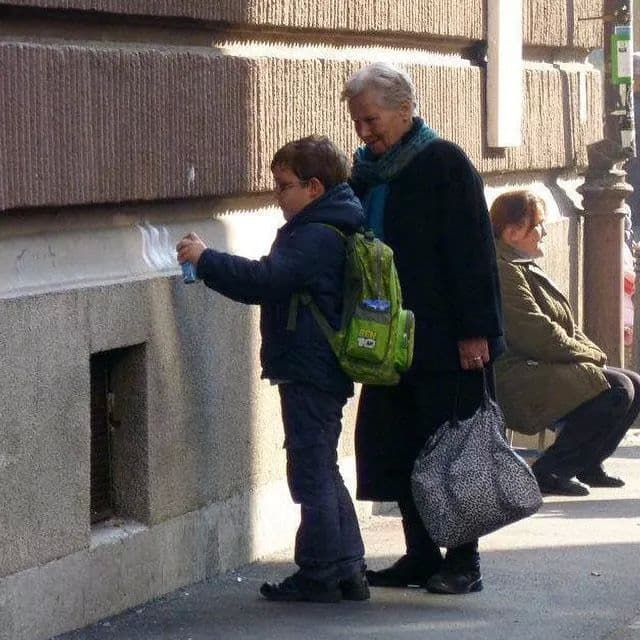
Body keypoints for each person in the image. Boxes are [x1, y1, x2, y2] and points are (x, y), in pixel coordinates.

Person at [176, 135, 368, 603]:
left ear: (315, 187)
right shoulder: (331, 224)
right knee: (320, 466)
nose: (277, 196)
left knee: (310, 472)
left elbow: (266, 281)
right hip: (317, 363)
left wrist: (206, 261)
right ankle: (347, 569)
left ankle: (320, 572)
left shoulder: (317, 234)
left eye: (283, 186)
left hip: (309, 365)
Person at [341, 63, 505, 595]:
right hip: (389, 338)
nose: (364, 133)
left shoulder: (444, 163)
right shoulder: (365, 172)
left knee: (452, 452)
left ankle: (464, 561)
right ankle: (418, 554)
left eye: (371, 120)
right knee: (400, 445)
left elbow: (473, 252)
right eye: (357, 122)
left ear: (406, 110)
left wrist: (475, 331)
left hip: (444, 337)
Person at [490, 190, 639, 496]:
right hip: (518, 372)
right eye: (538, 226)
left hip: (543, 362)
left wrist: (591, 353)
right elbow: (534, 332)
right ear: (512, 232)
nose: (543, 232)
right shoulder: (504, 269)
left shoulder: (521, 262)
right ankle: (550, 469)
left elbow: (564, 325)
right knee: (615, 390)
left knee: (634, 383)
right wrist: (588, 356)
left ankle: (588, 462)